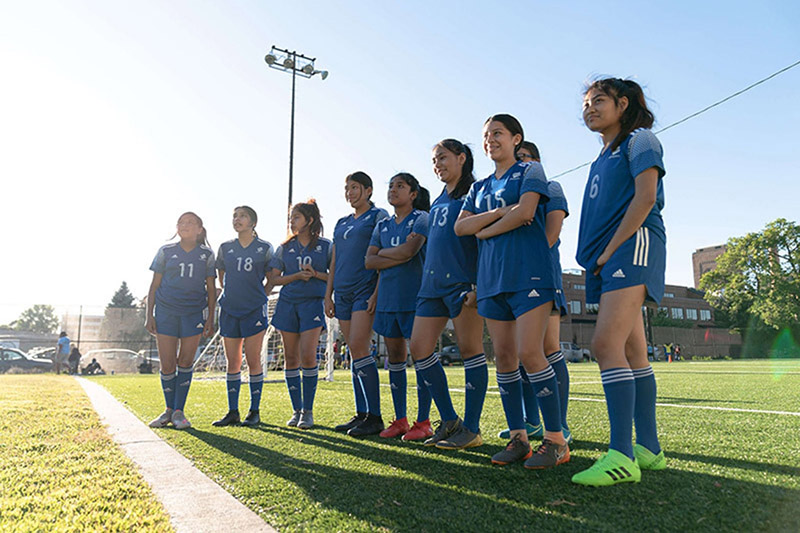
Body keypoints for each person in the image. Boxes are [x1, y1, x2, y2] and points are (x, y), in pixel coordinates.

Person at [454, 114, 568, 469]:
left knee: (531, 352)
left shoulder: (530, 172)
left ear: (516, 138)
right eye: (486, 135)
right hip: (491, 280)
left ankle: (555, 440)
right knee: (504, 358)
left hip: (529, 276)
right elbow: (461, 227)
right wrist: (502, 212)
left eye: (498, 134)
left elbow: (527, 212)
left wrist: (485, 228)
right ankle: (519, 438)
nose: (491, 140)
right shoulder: (479, 187)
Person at [571, 78, 667, 486]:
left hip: (633, 245)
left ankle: (621, 456)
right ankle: (649, 447)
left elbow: (645, 198)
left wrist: (611, 249)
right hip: (610, 255)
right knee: (631, 350)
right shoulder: (601, 156)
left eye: (599, 101)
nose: (589, 109)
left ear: (622, 104)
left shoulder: (640, 139)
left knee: (604, 345)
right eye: (586, 104)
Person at [409, 139, 487, 450]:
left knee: (471, 350)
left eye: (442, 157)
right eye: (433, 160)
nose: (437, 164)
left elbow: (483, 239)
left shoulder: (477, 192)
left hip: (462, 284)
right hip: (432, 286)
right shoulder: (439, 199)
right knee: (420, 348)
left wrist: (480, 284)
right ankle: (449, 419)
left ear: (461, 158)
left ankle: (471, 428)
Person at [497, 141, 573, 445]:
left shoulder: (551, 188)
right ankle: (530, 421)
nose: (521, 165)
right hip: (511, 279)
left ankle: (561, 424)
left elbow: (551, 235)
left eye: (526, 159)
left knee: (548, 347)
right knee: (520, 351)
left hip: (542, 277)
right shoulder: (506, 196)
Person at [365, 173, 432, 440]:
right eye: (391, 186)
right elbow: (369, 261)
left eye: (400, 186)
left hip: (415, 298)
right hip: (388, 300)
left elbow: (410, 252)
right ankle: (401, 420)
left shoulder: (421, 219)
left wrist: (384, 254)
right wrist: (394, 254)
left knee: (422, 357)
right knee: (395, 359)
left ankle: (424, 421)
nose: (393, 190)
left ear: (413, 193)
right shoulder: (382, 225)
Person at [324, 171, 389, 437]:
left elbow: (383, 253)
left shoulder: (378, 216)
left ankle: (375, 417)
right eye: (347, 188)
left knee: (361, 347)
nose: (350, 193)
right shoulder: (341, 223)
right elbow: (334, 260)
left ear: (368, 190)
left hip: (365, 289)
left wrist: (377, 291)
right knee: (354, 351)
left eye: (355, 188)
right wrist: (328, 294)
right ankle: (361, 414)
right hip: (343, 293)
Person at [145, 212, 216, 429]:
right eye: (181, 222)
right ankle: (168, 410)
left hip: (193, 313)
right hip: (166, 312)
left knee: (185, 362)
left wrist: (210, 318)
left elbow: (211, 289)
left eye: (190, 222)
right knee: (167, 363)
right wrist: (149, 315)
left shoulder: (206, 254)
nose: (185, 225)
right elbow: (154, 286)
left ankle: (179, 412)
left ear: (199, 229)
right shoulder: (166, 251)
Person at [268, 200, 331, 430]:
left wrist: (315, 274)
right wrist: (295, 277)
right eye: (291, 218)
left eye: (296, 217)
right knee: (291, 358)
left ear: (310, 220)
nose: (292, 221)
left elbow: (333, 276)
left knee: (308, 356)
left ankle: (308, 411)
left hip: (312, 304)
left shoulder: (326, 246)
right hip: (288, 304)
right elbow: (273, 279)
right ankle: (296, 410)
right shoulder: (284, 247)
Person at [212, 206, 273, 428]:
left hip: (254, 308)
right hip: (229, 308)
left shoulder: (264, 248)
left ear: (253, 222)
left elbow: (271, 277)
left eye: (242, 216)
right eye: (235, 216)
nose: (237, 219)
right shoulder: (225, 247)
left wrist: (258, 296)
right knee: (233, 361)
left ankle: (254, 411)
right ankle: (232, 411)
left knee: (253, 359)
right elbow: (221, 277)